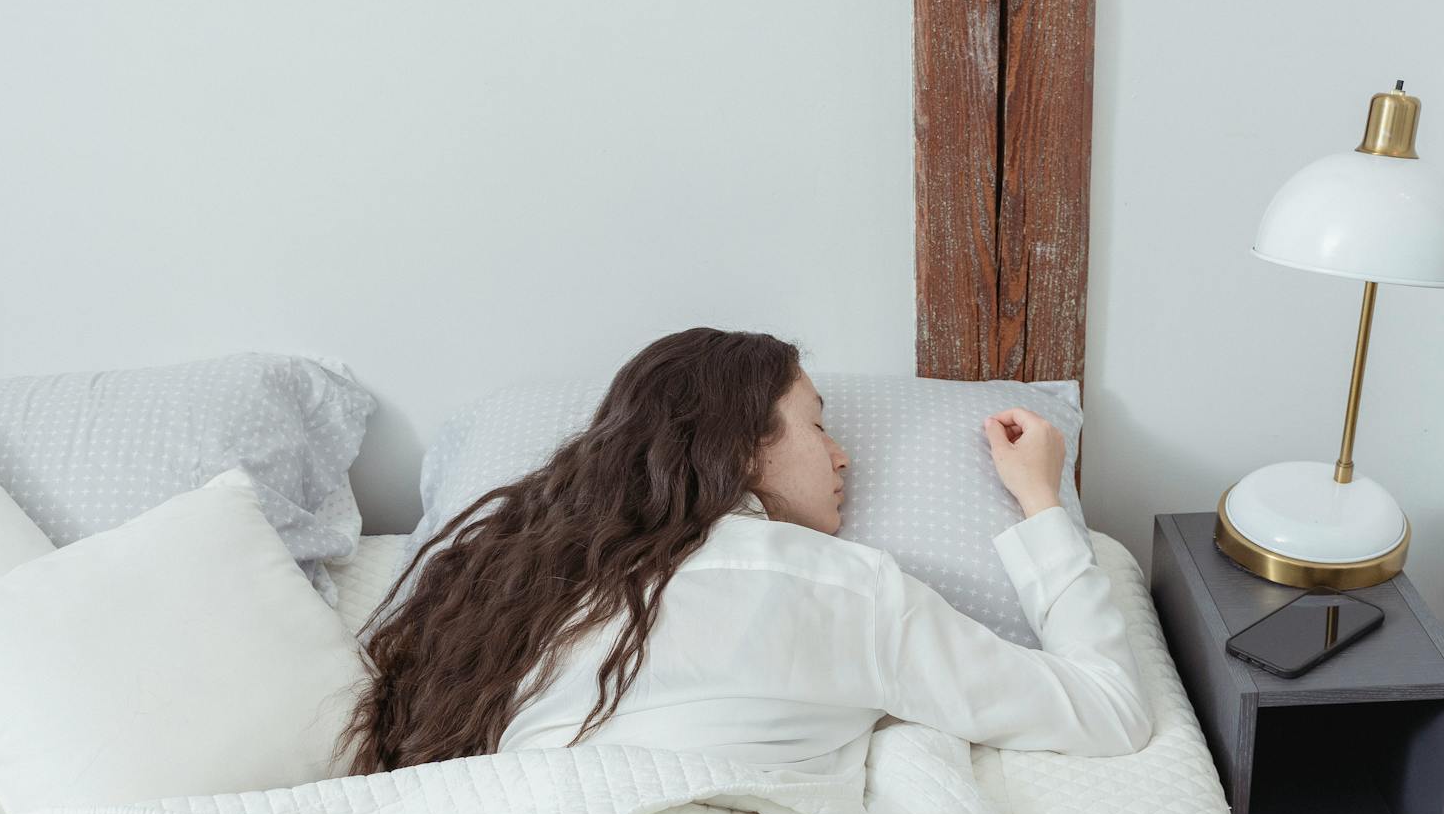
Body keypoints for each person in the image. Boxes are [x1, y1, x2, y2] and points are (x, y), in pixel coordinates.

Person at [340, 327, 1152, 779]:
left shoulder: (515, 592)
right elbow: (1110, 711)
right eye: (817, 424)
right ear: (742, 444)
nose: (844, 457)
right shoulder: (843, 588)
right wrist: (1043, 502)